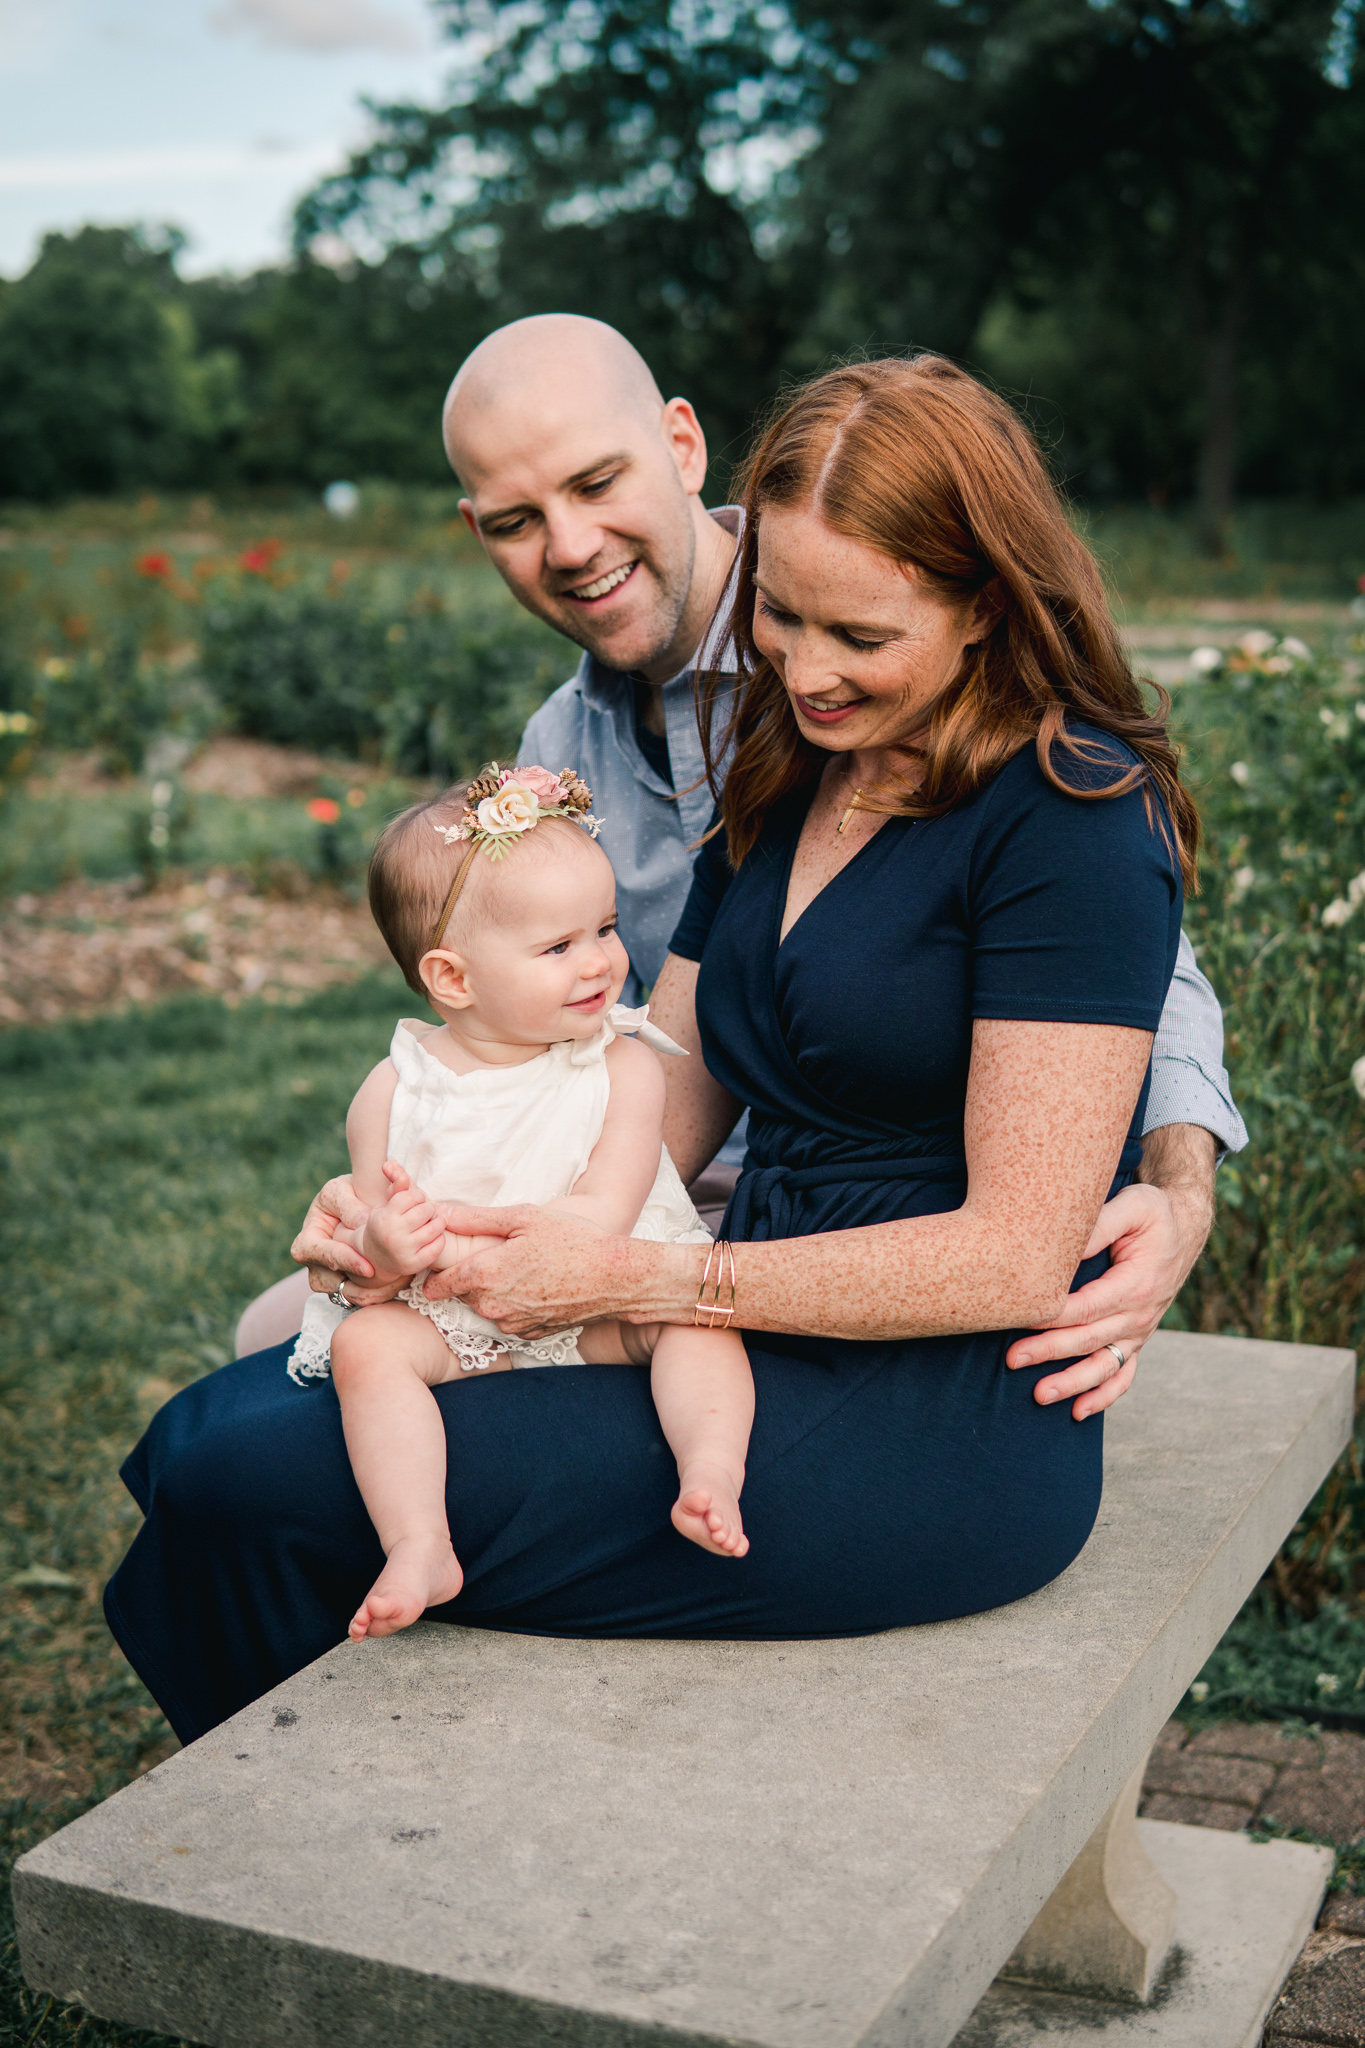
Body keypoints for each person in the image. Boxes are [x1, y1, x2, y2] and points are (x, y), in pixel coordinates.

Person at [103, 355, 1218, 1745]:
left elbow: (1011, 1254)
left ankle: (336, 1817)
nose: (805, 670)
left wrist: (639, 1277)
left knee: (250, 1483)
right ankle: (339, 1800)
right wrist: (431, 1217)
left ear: (986, 602)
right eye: (781, 615)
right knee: (215, 1429)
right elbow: (666, 1079)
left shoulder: (1072, 815)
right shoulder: (792, 762)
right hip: (737, 1315)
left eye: (859, 635)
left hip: (934, 1407)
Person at [237, 313, 1243, 1411]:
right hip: (642, 1195)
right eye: (518, 520)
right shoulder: (594, 756)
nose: (569, 544)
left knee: (285, 1432)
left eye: (595, 482)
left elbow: (1122, 969)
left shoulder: (954, 732)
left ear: (681, 445)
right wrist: (403, 1207)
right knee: (276, 1352)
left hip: (812, 1261)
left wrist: (1176, 1188)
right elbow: (611, 1079)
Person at [292, 768, 751, 1642]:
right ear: (452, 977)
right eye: (557, 947)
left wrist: (464, 1251)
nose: (600, 961)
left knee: (698, 1321)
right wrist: (387, 1248)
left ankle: (711, 1472)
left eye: (605, 929)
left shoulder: (620, 1066)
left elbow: (606, 1211)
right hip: (461, 1323)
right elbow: (369, 1253)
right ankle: (419, 1541)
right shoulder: (392, 1092)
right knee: (366, 1346)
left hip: (603, 1302)